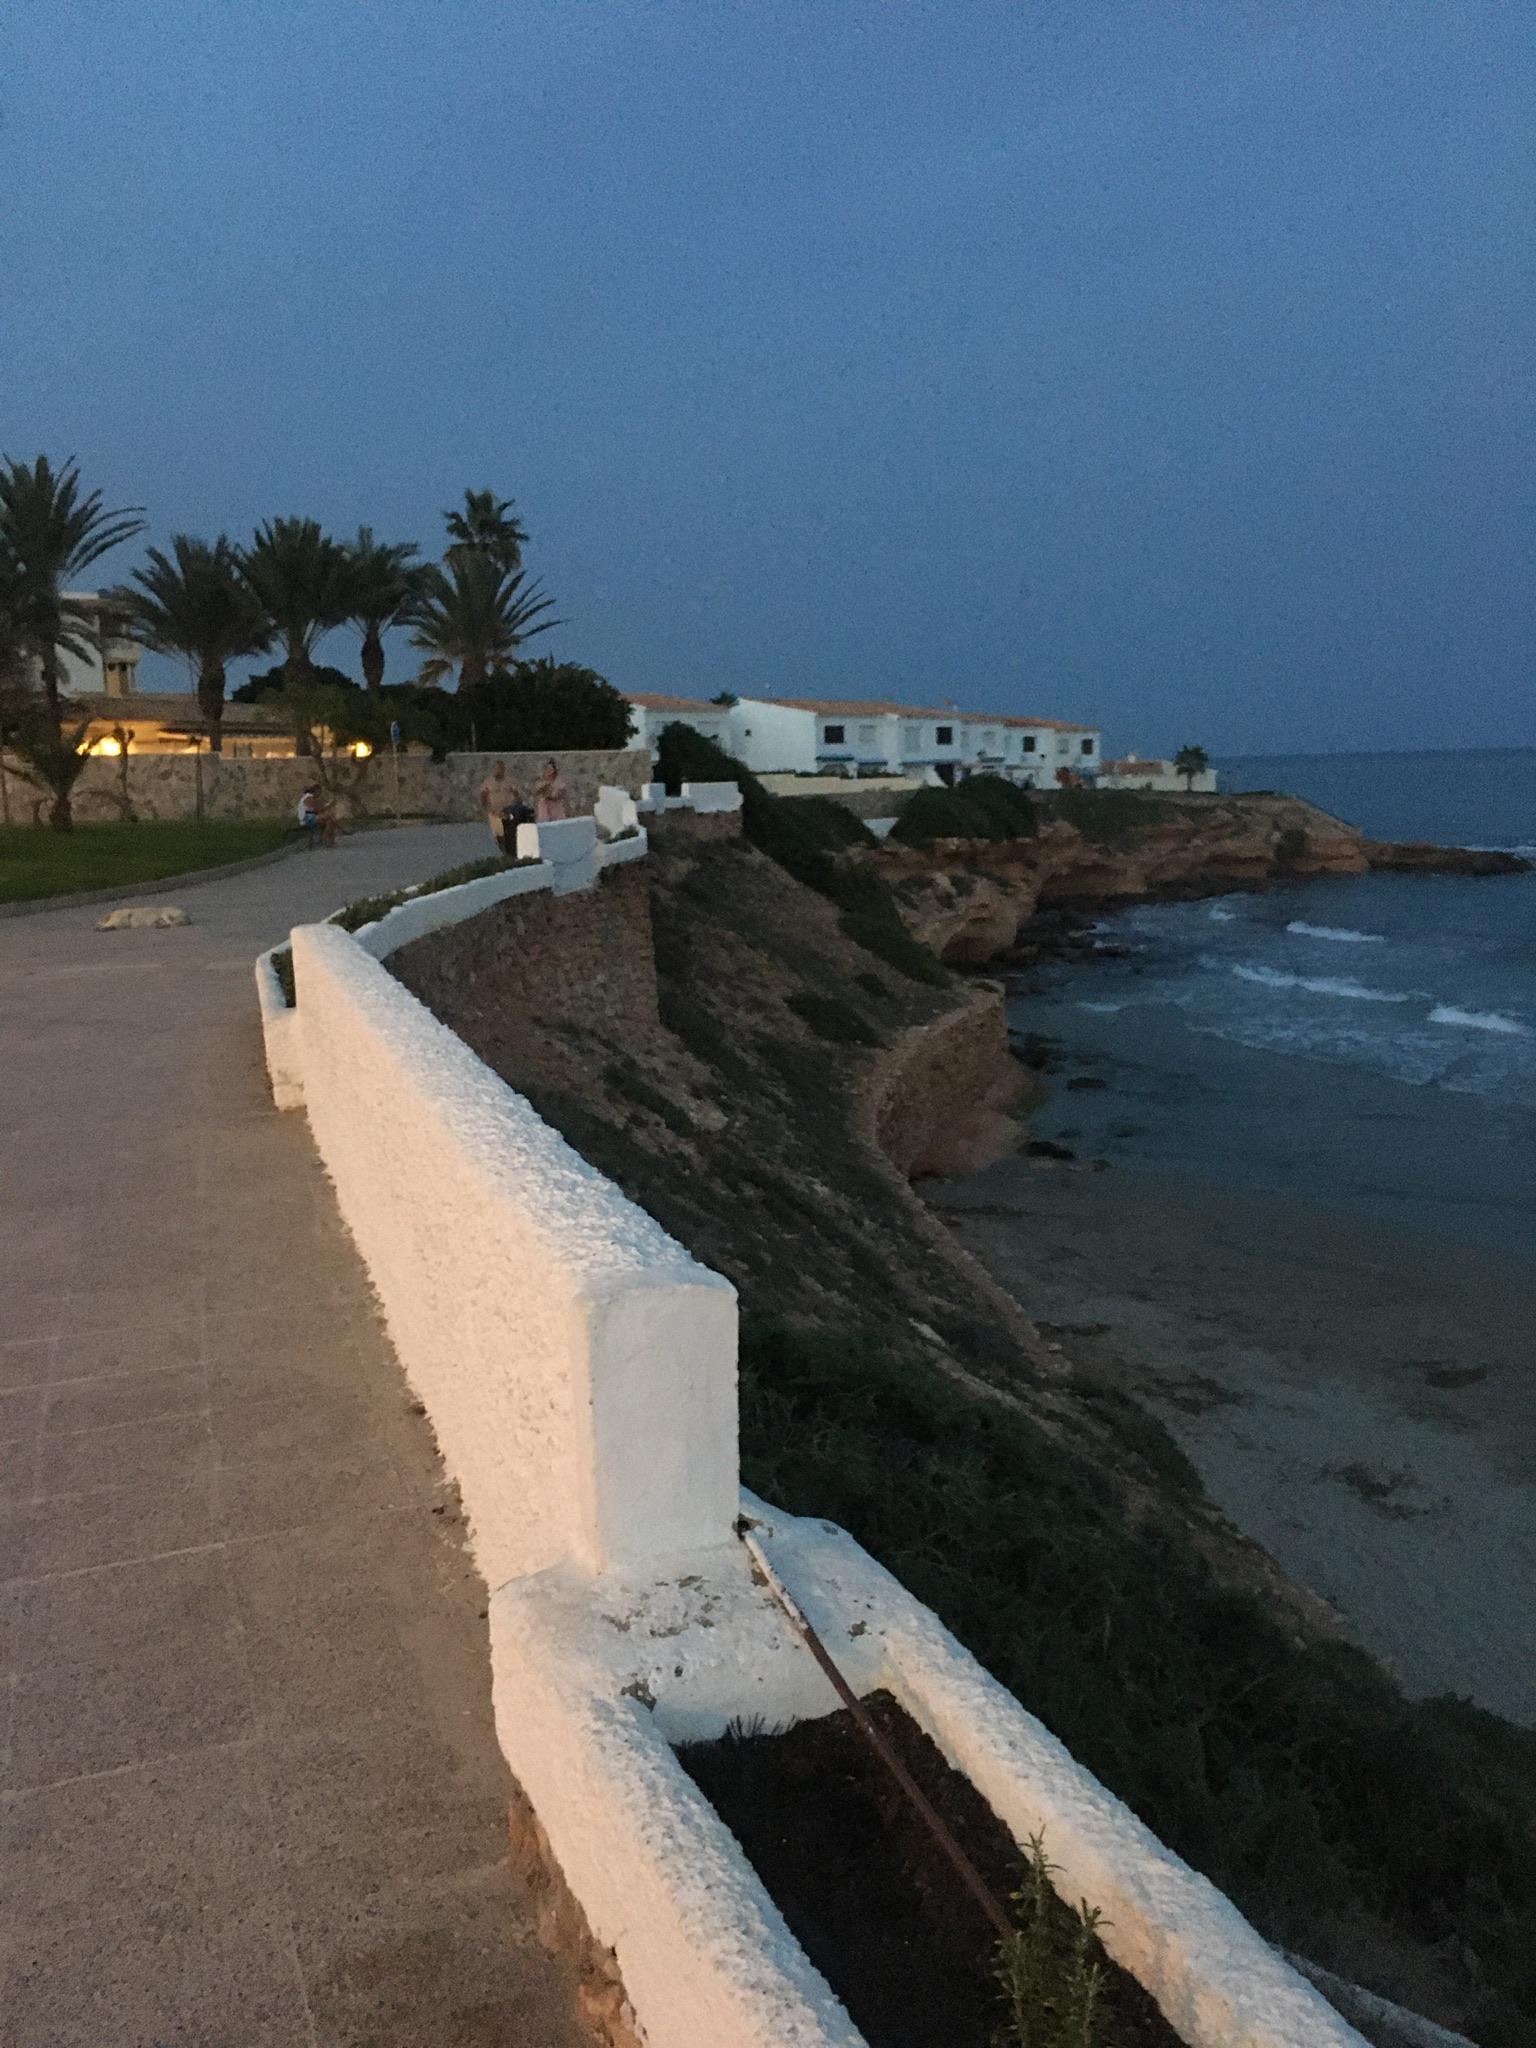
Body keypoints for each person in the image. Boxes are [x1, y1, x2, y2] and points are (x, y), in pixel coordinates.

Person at [479, 760, 523, 850]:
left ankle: (509, 851)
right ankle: (503, 851)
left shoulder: (510, 781)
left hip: (507, 812)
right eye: (496, 768)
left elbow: (517, 795)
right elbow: (483, 795)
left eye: (499, 769)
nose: (497, 771)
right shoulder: (488, 782)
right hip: (494, 813)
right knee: (498, 835)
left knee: (508, 834)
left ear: (503, 770)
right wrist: (486, 808)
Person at [534, 758, 569, 823]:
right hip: (544, 810)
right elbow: (538, 792)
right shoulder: (541, 782)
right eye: (547, 769)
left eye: (550, 769)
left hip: (556, 810)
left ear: (554, 771)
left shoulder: (560, 783)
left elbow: (556, 795)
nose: (548, 771)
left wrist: (548, 794)